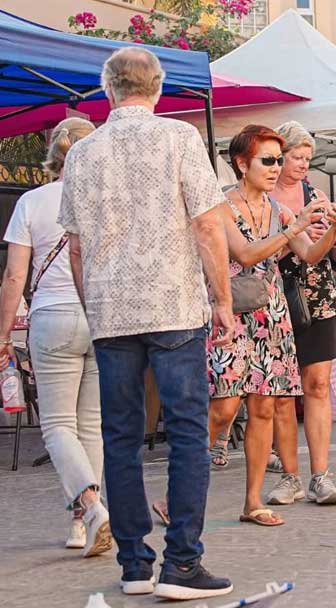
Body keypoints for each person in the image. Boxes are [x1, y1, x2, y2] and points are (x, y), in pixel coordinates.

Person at [57, 47, 234, 599]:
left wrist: (93, 304)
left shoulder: (82, 153)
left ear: (108, 89)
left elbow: (76, 247)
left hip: (112, 309)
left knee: (120, 436)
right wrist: (223, 298)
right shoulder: (180, 138)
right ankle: (182, 562)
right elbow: (208, 226)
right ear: (157, 88)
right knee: (186, 432)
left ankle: (134, 565)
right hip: (173, 302)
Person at [207, 125, 336, 528]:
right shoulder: (221, 206)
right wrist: (294, 228)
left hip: (271, 316)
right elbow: (246, 255)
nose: (275, 167)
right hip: (231, 316)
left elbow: (310, 255)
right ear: (242, 164)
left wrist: (334, 228)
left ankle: (252, 502)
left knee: (263, 407)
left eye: (278, 160)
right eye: (267, 160)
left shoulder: (277, 209)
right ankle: (177, 489)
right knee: (224, 408)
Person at [0, 118, 110, 556]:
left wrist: (3, 334)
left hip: (53, 316)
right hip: (100, 315)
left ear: (54, 156)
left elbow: (14, 276)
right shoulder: (106, 200)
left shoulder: (32, 201)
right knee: (91, 425)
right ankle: (81, 522)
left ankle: (90, 508)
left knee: (58, 425)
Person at [263, 121, 336, 506]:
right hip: (275, 297)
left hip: (317, 296)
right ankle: (290, 476)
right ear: (279, 157)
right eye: (297, 157)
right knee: (283, 392)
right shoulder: (262, 197)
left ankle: (321, 475)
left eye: (307, 158)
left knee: (317, 383)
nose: (303, 164)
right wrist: (296, 234)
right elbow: (254, 252)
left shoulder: (315, 194)